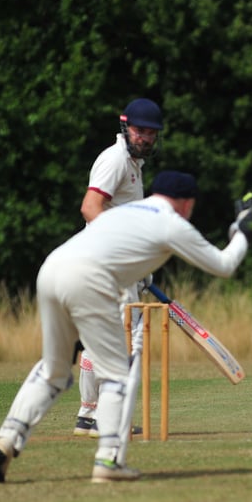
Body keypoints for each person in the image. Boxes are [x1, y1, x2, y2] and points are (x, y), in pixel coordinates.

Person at [0, 171, 252, 483]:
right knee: (117, 373)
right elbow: (223, 266)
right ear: (186, 203)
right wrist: (241, 231)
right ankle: (109, 460)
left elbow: (114, 252)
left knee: (54, 370)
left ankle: (6, 439)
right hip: (89, 281)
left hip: (52, 269)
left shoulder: (124, 212)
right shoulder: (172, 222)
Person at [74, 98, 163, 438]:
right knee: (128, 341)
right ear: (126, 127)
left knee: (104, 339)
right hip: (108, 263)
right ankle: (108, 417)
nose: (146, 138)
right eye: (140, 131)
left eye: (152, 133)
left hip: (110, 264)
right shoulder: (114, 160)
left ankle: (89, 413)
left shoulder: (132, 162)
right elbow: (90, 208)